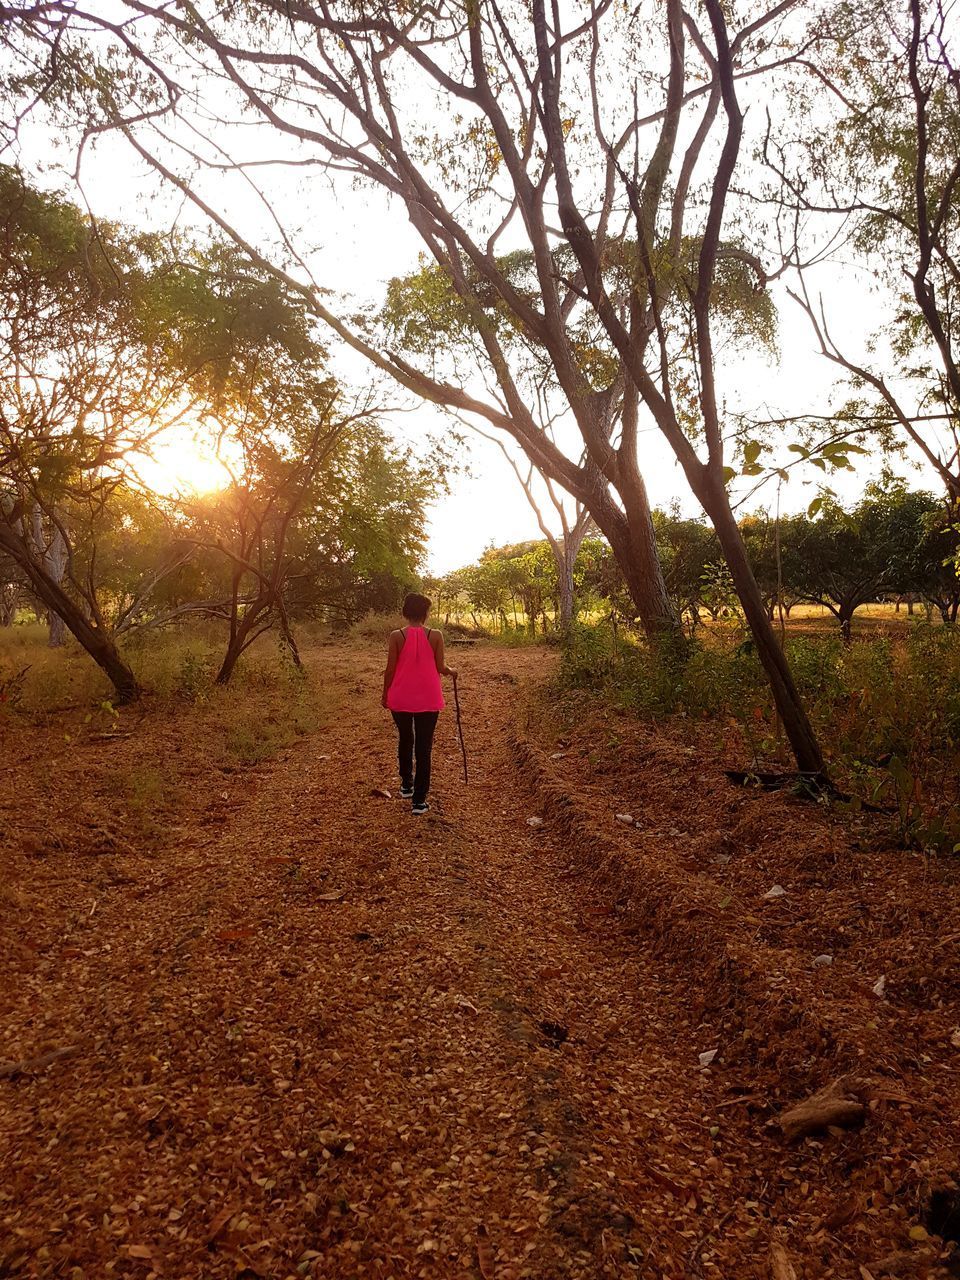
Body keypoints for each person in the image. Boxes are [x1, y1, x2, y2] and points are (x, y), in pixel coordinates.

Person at [382, 593, 457, 815]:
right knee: (424, 748)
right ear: (425, 613)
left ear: (406, 611)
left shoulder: (397, 636)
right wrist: (453, 671)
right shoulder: (436, 635)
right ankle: (419, 801)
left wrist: (385, 694)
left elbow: (390, 669)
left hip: (400, 697)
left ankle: (406, 784)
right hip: (428, 699)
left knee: (405, 739)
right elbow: (441, 667)